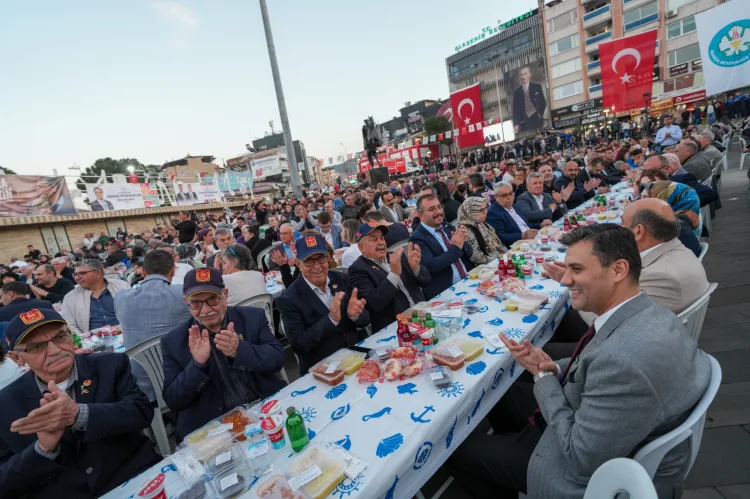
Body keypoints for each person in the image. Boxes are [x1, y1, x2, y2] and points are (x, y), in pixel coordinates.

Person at [449, 224, 711, 499]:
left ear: (619, 270)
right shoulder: (648, 310)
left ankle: (518, 464)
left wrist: (543, 378)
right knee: (499, 392)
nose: (564, 280)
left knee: (455, 449)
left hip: (574, 470)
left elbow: (580, 457)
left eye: (577, 269)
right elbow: (597, 364)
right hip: (600, 423)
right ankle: (515, 451)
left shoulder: (622, 362)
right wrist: (554, 367)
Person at [0, 308, 161, 497]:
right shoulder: (6, 403)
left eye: (60, 337)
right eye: (36, 347)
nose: (55, 350)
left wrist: (78, 415)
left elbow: (141, 412)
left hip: (135, 479)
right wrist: (42, 449)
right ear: (17, 358)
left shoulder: (110, 364)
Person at [161, 268, 287, 442]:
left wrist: (240, 350)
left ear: (225, 295)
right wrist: (197, 366)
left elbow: (277, 359)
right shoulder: (174, 341)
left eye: (212, 299)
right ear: (186, 303)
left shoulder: (251, 318)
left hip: (262, 408)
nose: (205, 310)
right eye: (196, 303)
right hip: (215, 429)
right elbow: (173, 401)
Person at [276, 233, 370, 374]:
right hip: (323, 368)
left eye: (321, 259)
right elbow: (299, 345)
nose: (317, 266)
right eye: (309, 260)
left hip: (357, 357)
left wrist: (354, 316)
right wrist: (331, 320)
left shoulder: (342, 279)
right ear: (298, 263)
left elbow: (365, 320)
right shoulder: (288, 299)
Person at [114, 250, 191, 401]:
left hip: (142, 384)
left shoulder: (121, 298)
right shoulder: (184, 293)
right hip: (183, 379)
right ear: (173, 270)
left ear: (142, 271)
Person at [620, 199, 710, 313]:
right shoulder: (678, 250)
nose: (619, 227)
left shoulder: (658, 276)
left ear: (638, 231)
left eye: (622, 223)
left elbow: (611, 318)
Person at [348, 222, 429, 333]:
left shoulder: (395, 255)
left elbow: (426, 281)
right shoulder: (358, 269)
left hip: (423, 314)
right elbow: (375, 303)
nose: (381, 242)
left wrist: (416, 269)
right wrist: (394, 274)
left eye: (382, 238)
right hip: (397, 328)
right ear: (361, 247)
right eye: (374, 239)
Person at [410, 194, 474, 300]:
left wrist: (463, 242)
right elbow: (431, 267)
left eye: (439, 207)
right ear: (421, 215)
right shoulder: (417, 238)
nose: (438, 212)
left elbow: (469, 253)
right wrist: (456, 248)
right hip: (446, 292)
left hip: (467, 280)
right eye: (432, 209)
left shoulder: (447, 226)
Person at [61, 259, 130, 335]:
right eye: (75, 274)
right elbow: (70, 325)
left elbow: (134, 311)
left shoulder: (121, 286)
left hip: (127, 333)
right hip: (93, 342)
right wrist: (85, 340)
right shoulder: (70, 298)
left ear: (98, 273)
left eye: (81, 274)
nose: (77, 278)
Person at [486, 182, 544, 247]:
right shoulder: (493, 213)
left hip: (532, 240)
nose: (509, 197)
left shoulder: (515, 206)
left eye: (511, 193)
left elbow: (525, 225)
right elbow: (500, 237)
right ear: (496, 197)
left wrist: (541, 225)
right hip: (518, 246)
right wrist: (522, 235)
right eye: (505, 195)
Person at [457, 197, 508, 265]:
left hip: (497, 258)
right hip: (486, 266)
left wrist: (507, 254)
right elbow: (478, 258)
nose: (485, 212)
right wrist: (499, 259)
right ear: (470, 212)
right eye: (481, 210)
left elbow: (497, 242)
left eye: (485, 208)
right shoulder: (465, 230)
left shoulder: (482, 224)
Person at [512, 65, 546, 133]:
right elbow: (515, 110)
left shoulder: (537, 87)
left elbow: (543, 103)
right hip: (524, 122)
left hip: (536, 119)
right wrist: (516, 124)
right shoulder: (517, 92)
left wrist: (539, 114)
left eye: (525, 74)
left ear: (529, 74)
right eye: (521, 75)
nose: (523, 76)